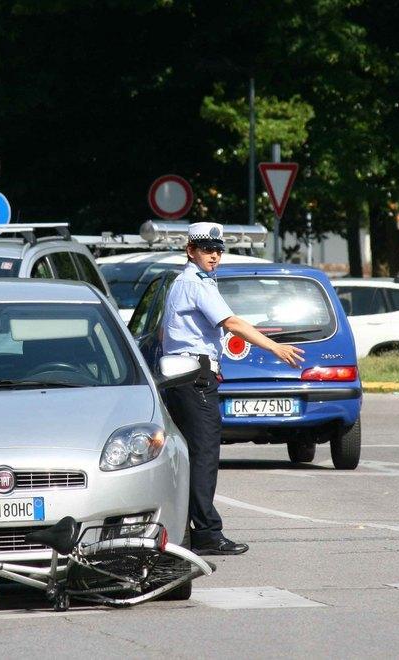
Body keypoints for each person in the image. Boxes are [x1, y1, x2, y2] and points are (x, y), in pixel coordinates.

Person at [161, 222, 305, 556]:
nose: (214, 255)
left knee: (192, 455)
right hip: (193, 378)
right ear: (190, 250)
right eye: (207, 249)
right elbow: (232, 323)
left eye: (218, 249)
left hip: (187, 376)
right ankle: (208, 533)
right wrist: (275, 348)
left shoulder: (184, 282)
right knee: (204, 454)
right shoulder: (196, 283)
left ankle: (188, 528)